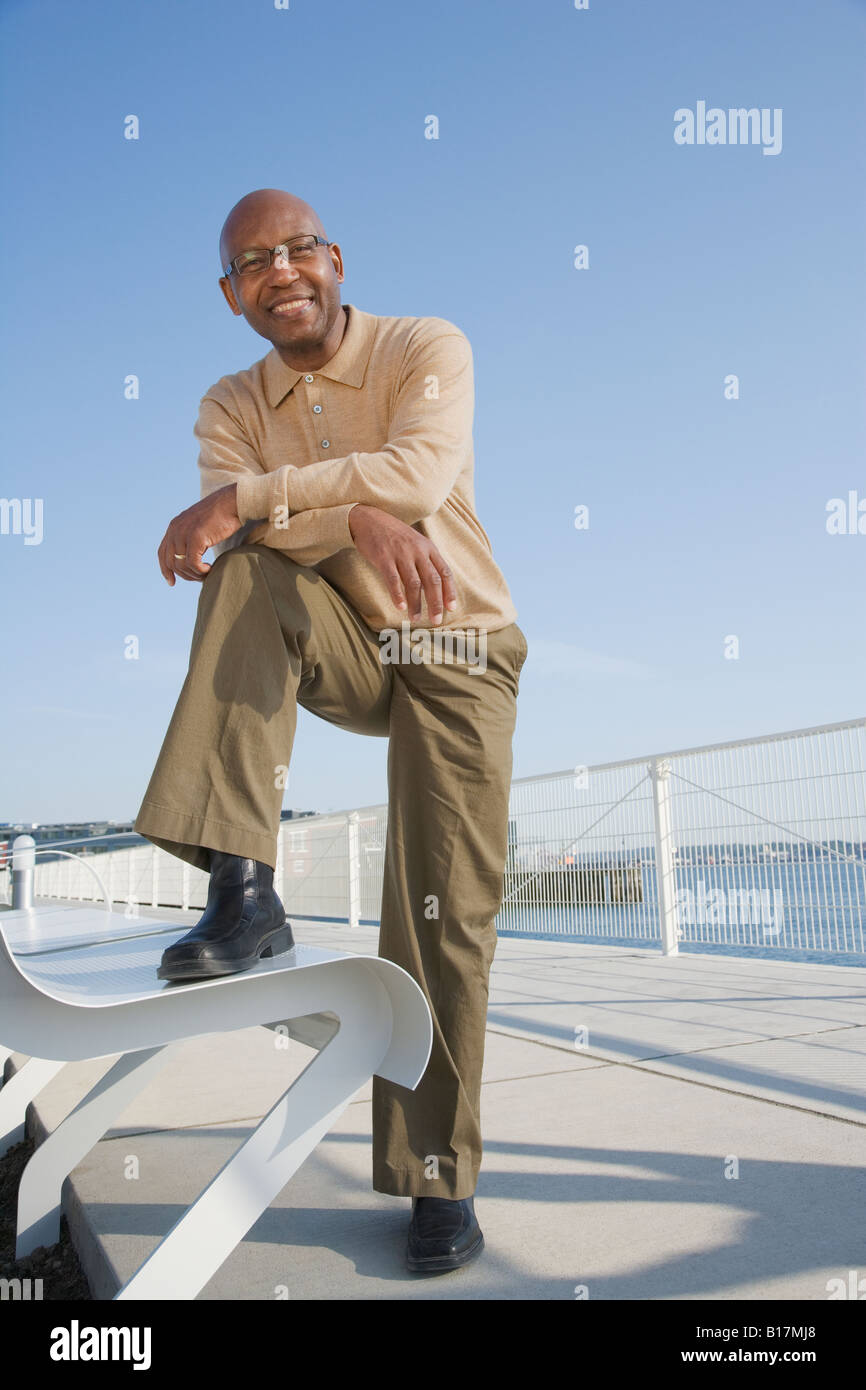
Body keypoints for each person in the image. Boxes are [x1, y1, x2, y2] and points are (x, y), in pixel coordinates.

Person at [133, 188, 528, 1275]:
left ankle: (435, 1178)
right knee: (248, 574)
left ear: (336, 258)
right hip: (339, 639)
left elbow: (418, 475)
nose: (281, 271)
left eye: (298, 248)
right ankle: (243, 887)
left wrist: (308, 502)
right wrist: (335, 510)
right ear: (231, 296)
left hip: (455, 646)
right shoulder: (227, 401)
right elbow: (233, 535)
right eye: (252, 262)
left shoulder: (421, 345)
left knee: (438, 912)